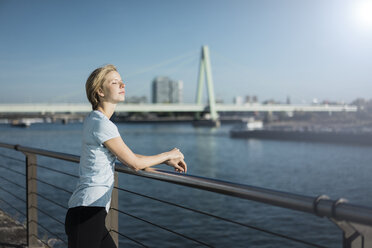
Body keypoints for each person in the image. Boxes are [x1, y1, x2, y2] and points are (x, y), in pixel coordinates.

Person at [64, 64, 187, 248]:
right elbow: (134, 163)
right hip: (87, 214)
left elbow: (126, 155)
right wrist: (168, 154)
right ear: (100, 91)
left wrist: (164, 160)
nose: (122, 85)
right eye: (115, 82)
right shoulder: (102, 124)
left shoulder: (96, 120)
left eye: (122, 82)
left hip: (89, 213)